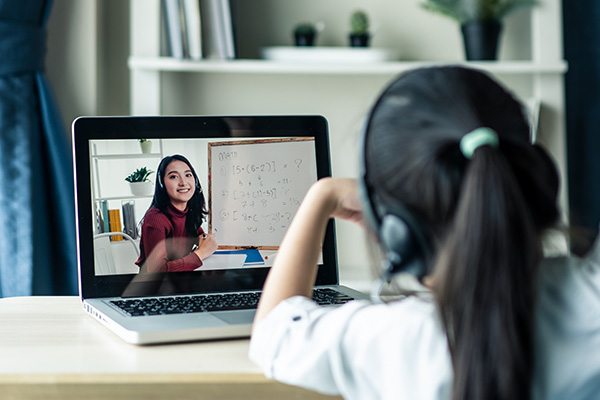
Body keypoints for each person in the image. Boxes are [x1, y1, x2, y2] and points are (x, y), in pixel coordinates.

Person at [249, 66, 600, 399]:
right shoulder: (591, 296)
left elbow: (272, 336)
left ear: (397, 231)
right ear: (540, 185)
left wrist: (321, 196)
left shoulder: (388, 336)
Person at [136, 154, 217, 273]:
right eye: (174, 176)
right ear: (162, 183)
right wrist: (200, 254)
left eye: (188, 175)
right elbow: (157, 271)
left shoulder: (188, 211)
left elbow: (201, 238)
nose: (183, 182)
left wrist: (205, 241)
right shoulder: (156, 218)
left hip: (181, 281)